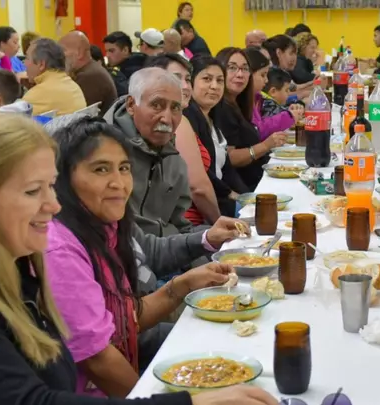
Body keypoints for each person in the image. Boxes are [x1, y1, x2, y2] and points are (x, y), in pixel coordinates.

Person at [0, 113, 279, 405]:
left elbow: (119, 320)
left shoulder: (21, 269)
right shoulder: (51, 254)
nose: (53, 205)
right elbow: (40, 396)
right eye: (32, 191)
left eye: (50, 186)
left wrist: (182, 284)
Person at [45, 117, 245, 397]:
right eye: (101, 169)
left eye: (124, 168)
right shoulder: (60, 250)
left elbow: (123, 320)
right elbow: (98, 360)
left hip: (127, 358)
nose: (119, 183)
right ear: (63, 179)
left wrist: (184, 285)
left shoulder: (107, 224)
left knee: (233, 348)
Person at [103, 68, 196, 237]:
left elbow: (181, 226)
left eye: (175, 108)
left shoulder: (173, 160)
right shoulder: (104, 154)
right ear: (131, 105)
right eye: (156, 105)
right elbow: (125, 238)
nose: (167, 119)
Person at [146, 53, 224, 224]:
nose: (185, 86)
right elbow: (197, 188)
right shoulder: (178, 123)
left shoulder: (171, 118)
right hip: (185, 223)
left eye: (188, 79)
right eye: (176, 78)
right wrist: (219, 223)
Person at [181, 56, 250, 220]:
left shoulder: (214, 116)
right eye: (207, 79)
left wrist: (246, 196)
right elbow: (203, 173)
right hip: (206, 206)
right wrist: (231, 195)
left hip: (223, 198)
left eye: (219, 81)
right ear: (191, 83)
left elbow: (227, 168)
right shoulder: (187, 118)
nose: (214, 86)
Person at [213, 47, 285, 191]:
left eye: (245, 69)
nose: (240, 74)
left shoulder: (238, 104)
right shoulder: (222, 108)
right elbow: (229, 158)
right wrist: (265, 145)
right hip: (245, 190)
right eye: (232, 68)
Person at [60, 31, 118, 117]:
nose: (60, 56)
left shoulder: (89, 77)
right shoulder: (91, 71)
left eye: (63, 50)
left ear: (79, 53)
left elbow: (76, 116)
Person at [23, 38, 87, 115]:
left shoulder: (34, 97)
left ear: (41, 64)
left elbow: (13, 121)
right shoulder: (75, 87)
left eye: (27, 58)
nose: (24, 63)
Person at [247, 47, 294, 140]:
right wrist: (289, 116)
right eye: (263, 75)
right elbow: (258, 132)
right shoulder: (251, 100)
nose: (266, 80)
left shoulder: (255, 97)